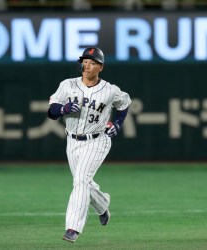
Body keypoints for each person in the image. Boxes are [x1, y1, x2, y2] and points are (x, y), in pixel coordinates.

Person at [47, 47, 132, 243]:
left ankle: (73, 228)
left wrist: (117, 123)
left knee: (80, 181)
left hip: (97, 141)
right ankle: (102, 204)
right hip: (72, 141)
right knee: (83, 181)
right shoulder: (68, 85)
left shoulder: (110, 90)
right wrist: (63, 108)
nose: (87, 65)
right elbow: (51, 112)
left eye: (92, 62)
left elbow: (125, 103)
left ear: (100, 67)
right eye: (85, 61)